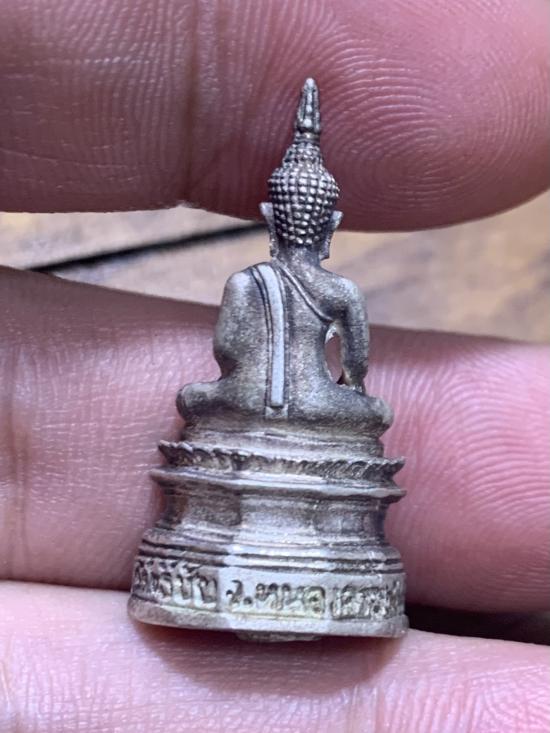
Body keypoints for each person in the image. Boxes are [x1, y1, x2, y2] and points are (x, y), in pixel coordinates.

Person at [0, 1, 549, 731]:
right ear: (332, 224)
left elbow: (230, 355)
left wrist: (256, 391)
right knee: (370, 413)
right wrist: (339, 393)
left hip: (244, 406)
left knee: (198, 397)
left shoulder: (246, 283)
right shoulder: (339, 291)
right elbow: (357, 370)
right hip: (321, 409)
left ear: (269, 215)